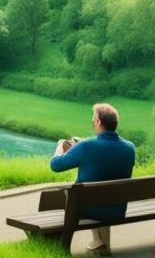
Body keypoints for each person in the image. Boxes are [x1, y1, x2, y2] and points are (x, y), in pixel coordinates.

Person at [49, 103, 136, 257]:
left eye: (93, 118)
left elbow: (56, 165)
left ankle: (51, 242)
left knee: (63, 198)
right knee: (101, 192)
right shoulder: (129, 147)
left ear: (98, 121)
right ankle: (101, 245)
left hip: (90, 208)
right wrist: (81, 144)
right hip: (117, 208)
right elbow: (105, 152)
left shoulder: (86, 147)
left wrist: (60, 146)